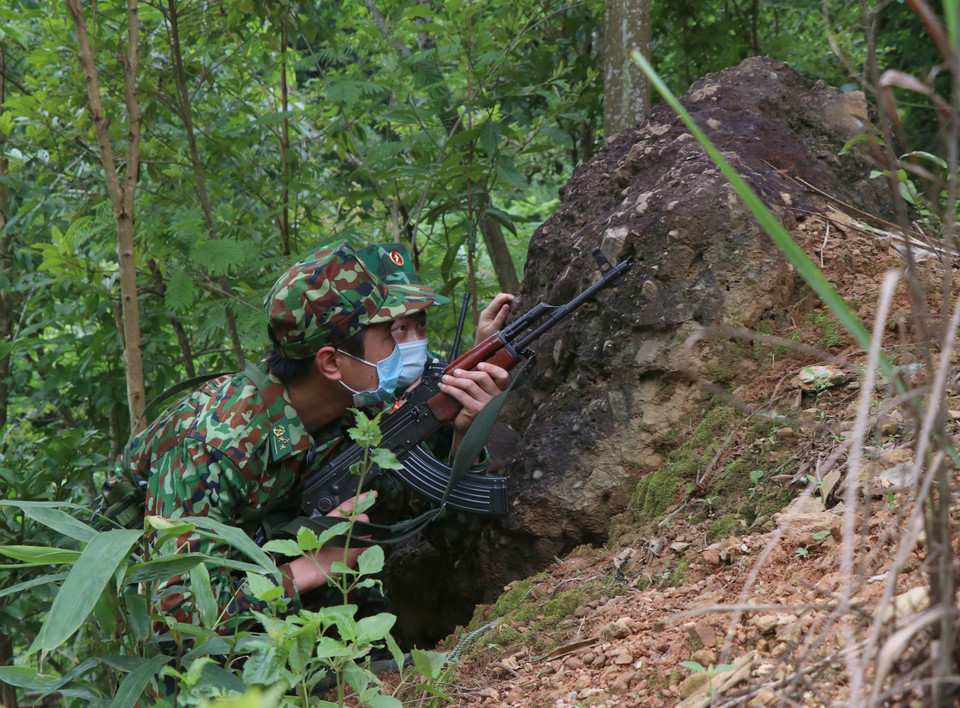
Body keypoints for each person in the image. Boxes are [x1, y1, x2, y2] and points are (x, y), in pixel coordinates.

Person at [98, 241, 510, 632]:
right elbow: (176, 614)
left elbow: (452, 538)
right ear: (332, 362)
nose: (409, 348)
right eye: (392, 334)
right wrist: (311, 567)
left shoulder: (361, 407)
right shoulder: (214, 444)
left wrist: (464, 437)